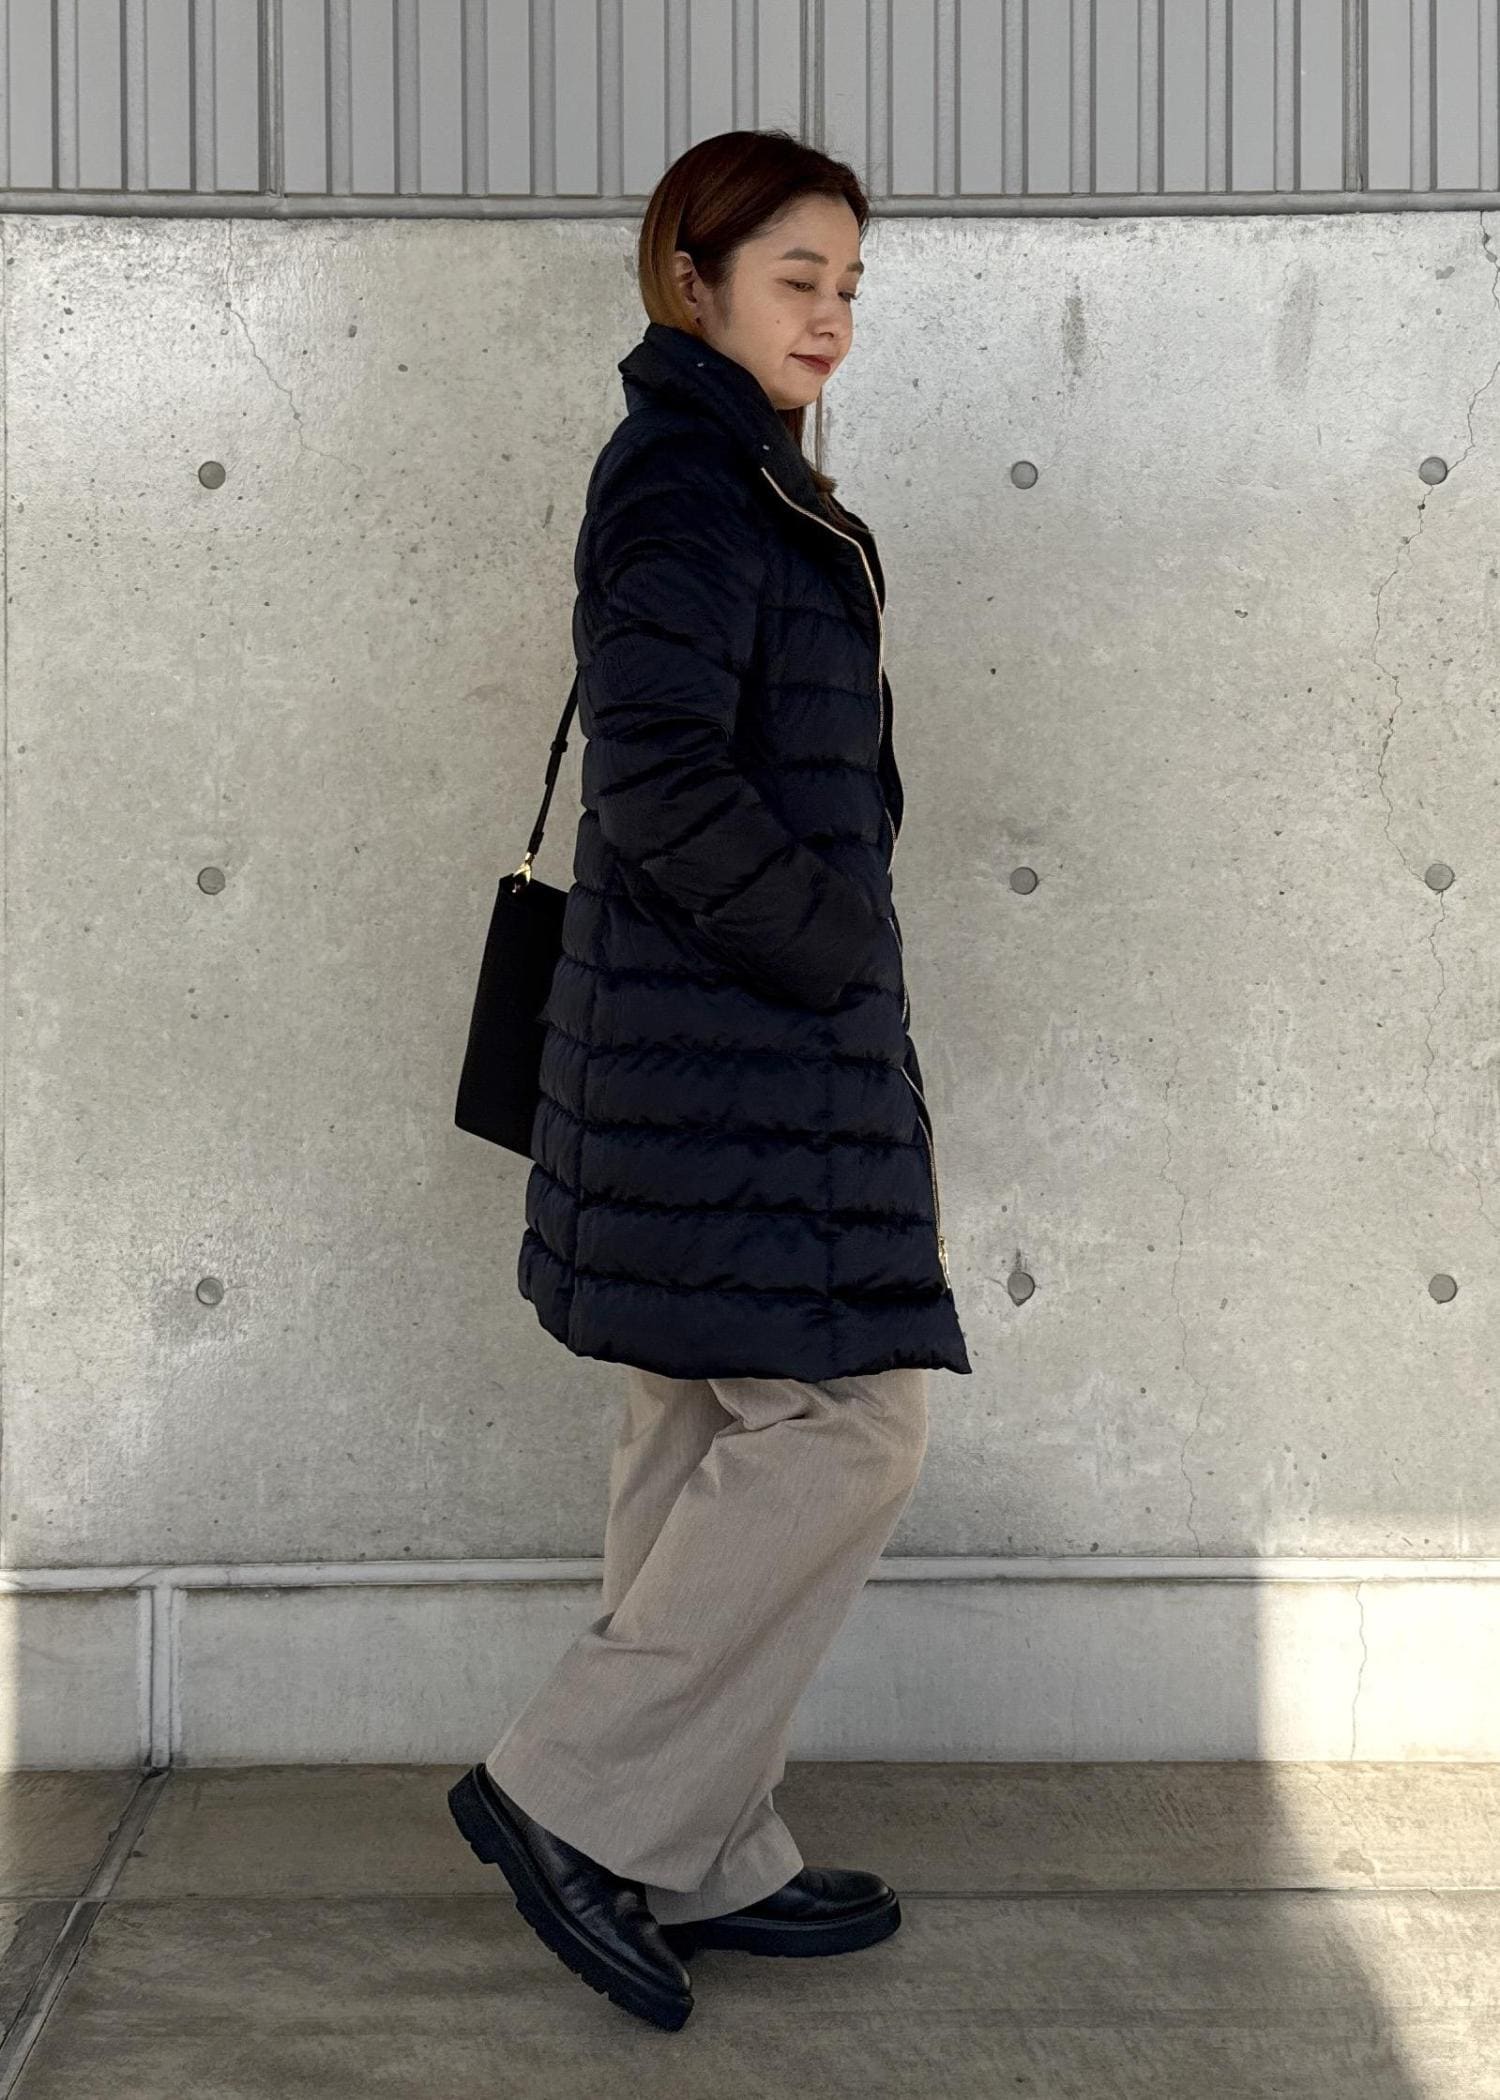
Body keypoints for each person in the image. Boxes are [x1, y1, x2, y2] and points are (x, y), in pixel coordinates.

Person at [448, 126, 971, 2033]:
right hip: (732, 1044)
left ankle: (699, 1847)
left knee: (692, 1423)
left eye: (849, 284)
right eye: (795, 278)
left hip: (702, 1053)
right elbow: (658, 774)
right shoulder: (688, 478)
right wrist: (830, 948)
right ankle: (569, 1794)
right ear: (697, 280)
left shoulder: (738, 467)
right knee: (848, 1422)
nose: (831, 314)